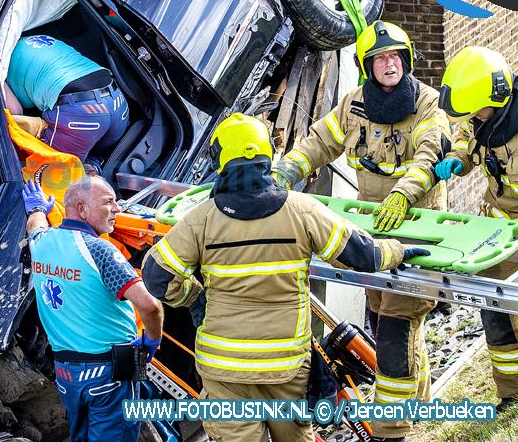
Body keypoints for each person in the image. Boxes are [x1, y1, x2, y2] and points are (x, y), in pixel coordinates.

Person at [141, 113, 427, 442]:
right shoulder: (302, 210)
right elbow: (364, 255)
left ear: (222, 161)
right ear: (267, 157)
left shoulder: (200, 220)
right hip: (286, 366)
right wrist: (399, 251)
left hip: (224, 370)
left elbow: (156, 276)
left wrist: (194, 297)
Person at [272, 21, 449, 442]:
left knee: (395, 326)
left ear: (406, 60)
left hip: (418, 235)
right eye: (379, 59)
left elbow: (430, 153)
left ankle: (393, 429)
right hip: (371, 237)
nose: (389, 65)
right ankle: (419, 402)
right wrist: (285, 172)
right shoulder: (354, 105)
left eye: (395, 57)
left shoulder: (428, 104)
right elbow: (319, 142)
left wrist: (404, 194)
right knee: (384, 312)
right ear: (367, 67)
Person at [435, 46, 518, 411]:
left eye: (477, 110)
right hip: (496, 235)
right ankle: (514, 390)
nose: (474, 118)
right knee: (494, 312)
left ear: (497, 95)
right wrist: (456, 161)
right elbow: (466, 140)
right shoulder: (481, 116)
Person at [22, 176, 163, 442]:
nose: (117, 209)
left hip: (67, 374)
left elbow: (35, 225)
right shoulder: (99, 250)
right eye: (108, 202)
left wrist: (36, 208)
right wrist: (151, 341)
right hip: (114, 370)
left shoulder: (41, 243)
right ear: (82, 209)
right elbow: (150, 306)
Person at [6, 35, 130, 165]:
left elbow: (15, 112)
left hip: (81, 114)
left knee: (55, 175)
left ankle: (91, 171)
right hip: (117, 102)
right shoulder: (36, 39)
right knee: (96, 160)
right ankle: (94, 166)